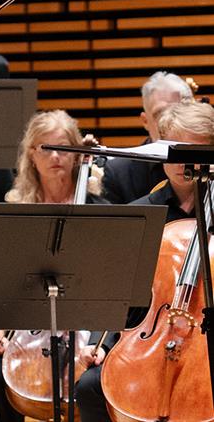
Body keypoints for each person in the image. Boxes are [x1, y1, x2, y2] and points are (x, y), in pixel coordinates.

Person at [74, 100, 214, 422]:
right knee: (90, 386)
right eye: (174, 149)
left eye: (195, 150)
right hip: (152, 336)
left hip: (206, 340)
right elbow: (115, 290)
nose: (182, 161)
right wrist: (97, 343)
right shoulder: (140, 213)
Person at [0, 110, 104, 422]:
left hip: (86, 327)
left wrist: (100, 343)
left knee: (93, 382)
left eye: (64, 148)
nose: (56, 157)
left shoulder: (100, 210)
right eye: (46, 148)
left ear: (78, 154)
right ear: (32, 155)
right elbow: (0, 281)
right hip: (28, 328)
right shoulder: (18, 213)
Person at [103, 71, 193, 204]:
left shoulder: (206, 164)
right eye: (160, 114)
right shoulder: (118, 173)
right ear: (145, 121)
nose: (168, 123)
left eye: (177, 113)